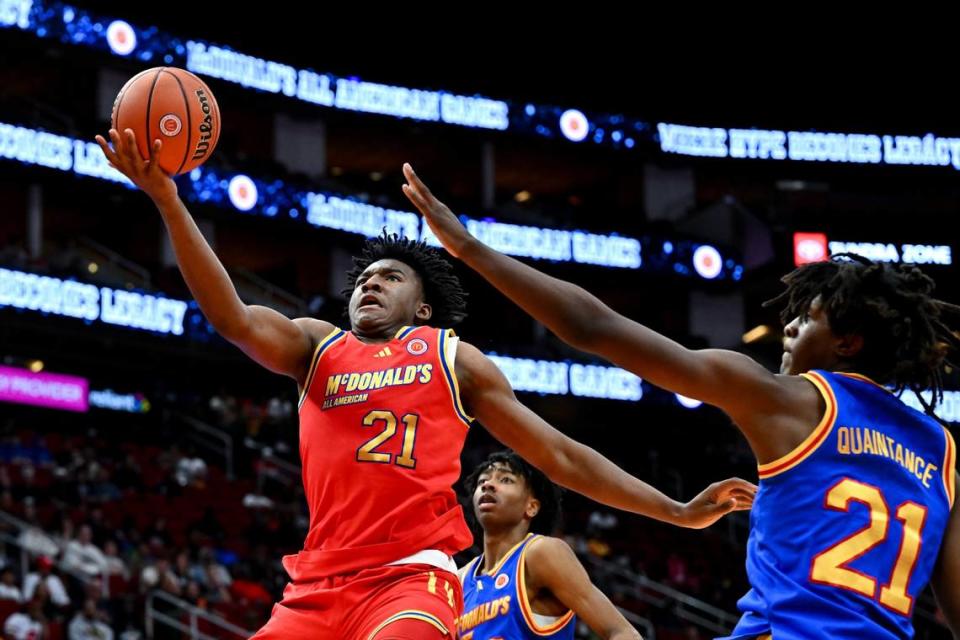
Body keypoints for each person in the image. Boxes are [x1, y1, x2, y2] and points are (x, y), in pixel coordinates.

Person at [96, 130, 753, 640]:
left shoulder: (454, 359)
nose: (370, 283)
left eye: (389, 276)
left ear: (423, 308)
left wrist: (674, 511)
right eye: (363, 278)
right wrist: (168, 201)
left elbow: (558, 455)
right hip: (317, 583)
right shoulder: (315, 346)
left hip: (412, 578)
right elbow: (230, 317)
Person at [402, 163, 960, 639]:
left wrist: (469, 249)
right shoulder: (943, 452)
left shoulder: (788, 399)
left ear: (848, 342)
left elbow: (593, 326)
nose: (787, 327)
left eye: (807, 317)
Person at [460, 451, 649, 639]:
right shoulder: (458, 579)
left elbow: (622, 632)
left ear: (531, 507)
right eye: (482, 481)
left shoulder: (540, 553)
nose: (488, 485)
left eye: (506, 480)